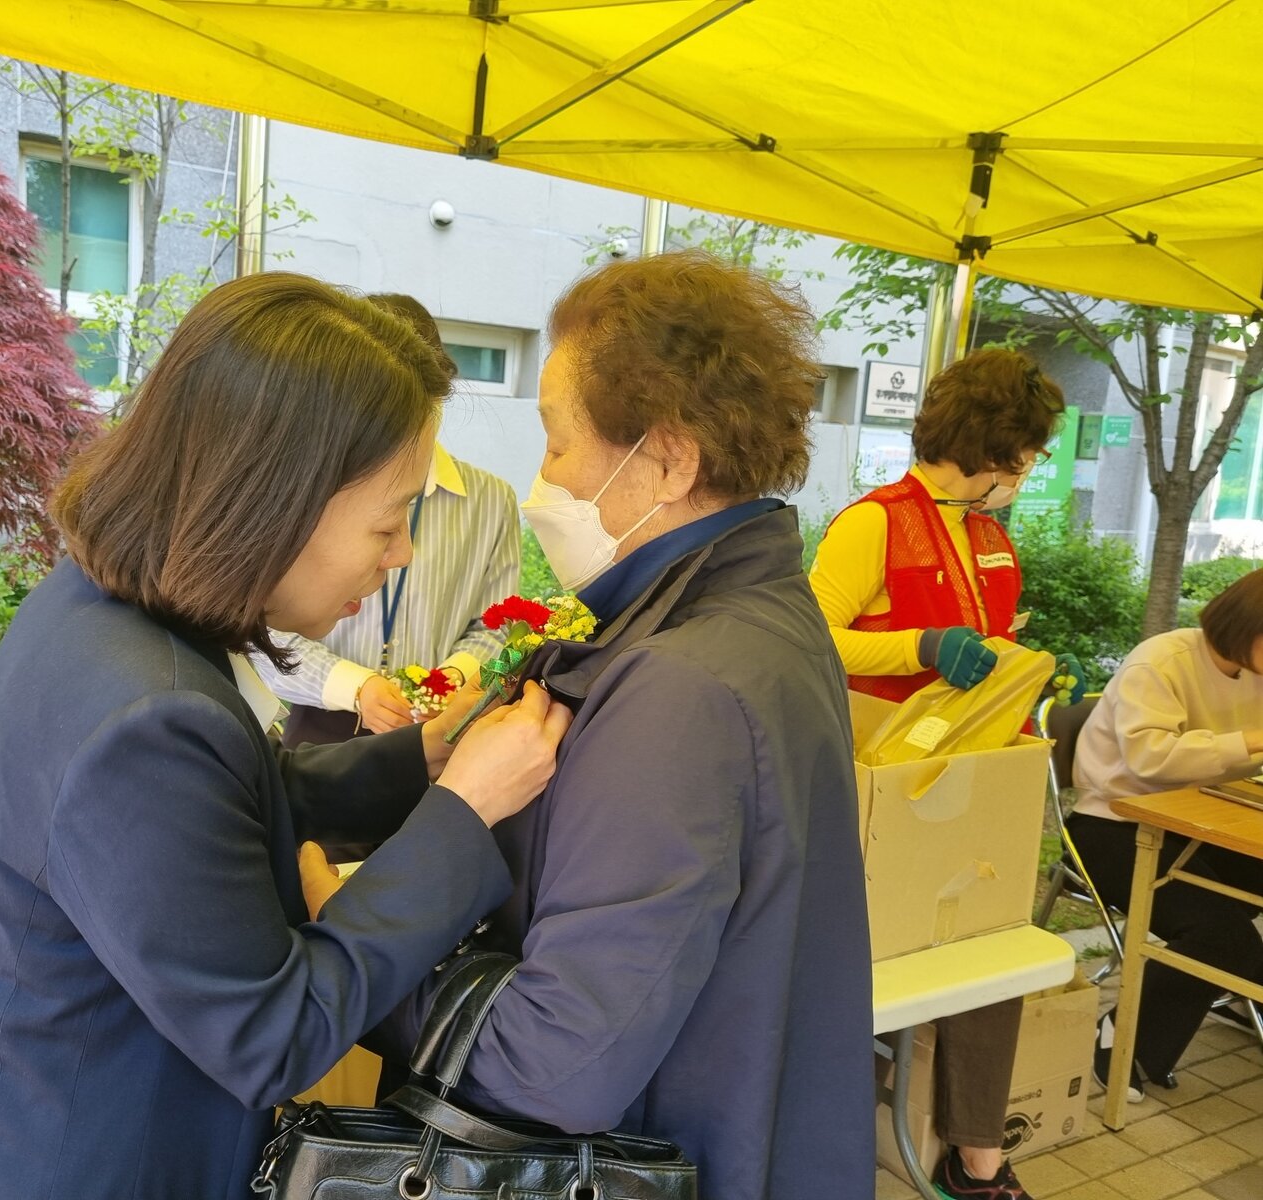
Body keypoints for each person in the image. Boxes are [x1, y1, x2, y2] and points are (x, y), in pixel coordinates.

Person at [0, 273, 572, 1200]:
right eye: (389, 523)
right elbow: (273, 1033)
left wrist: (416, 763)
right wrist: (463, 813)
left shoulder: (95, 611)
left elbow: (207, 819)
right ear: (274, 501)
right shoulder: (150, 717)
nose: (403, 555)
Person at [357, 251, 874, 1199]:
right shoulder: (758, 611)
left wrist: (361, 957)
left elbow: (551, 1064)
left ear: (669, 461)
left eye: (557, 443)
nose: (542, 477)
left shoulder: (680, 684)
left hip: (657, 1149)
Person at [808, 348, 1076, 1200]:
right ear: (992, 443)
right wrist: (920, 647)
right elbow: (811, 637)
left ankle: (977, 1157)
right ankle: (828, 1139)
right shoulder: (875, 523)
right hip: (881, 784)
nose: (1027, 468)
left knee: (989, 946)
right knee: (867, 962)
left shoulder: (986, 530)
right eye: (1025, 451)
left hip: (969, 775)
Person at [259, 293, 520, 749]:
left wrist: (447, 681)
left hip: (436, 721)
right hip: (324, 718)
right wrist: (356, 686)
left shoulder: (491, 498)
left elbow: (496, 622)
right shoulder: (306, 489)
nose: (400, 553)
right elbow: (259, 625)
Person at [1069, 567, 1263, 1099]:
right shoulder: (1162, 661)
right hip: (1111, 821)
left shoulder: (1254, 670)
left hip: (1198, 817)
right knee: (1222, 936)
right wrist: (1252, 739)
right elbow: (1149, 759)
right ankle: (1118, 1041)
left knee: (1227, 932)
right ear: (1247, 627)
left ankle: (1240, 984)